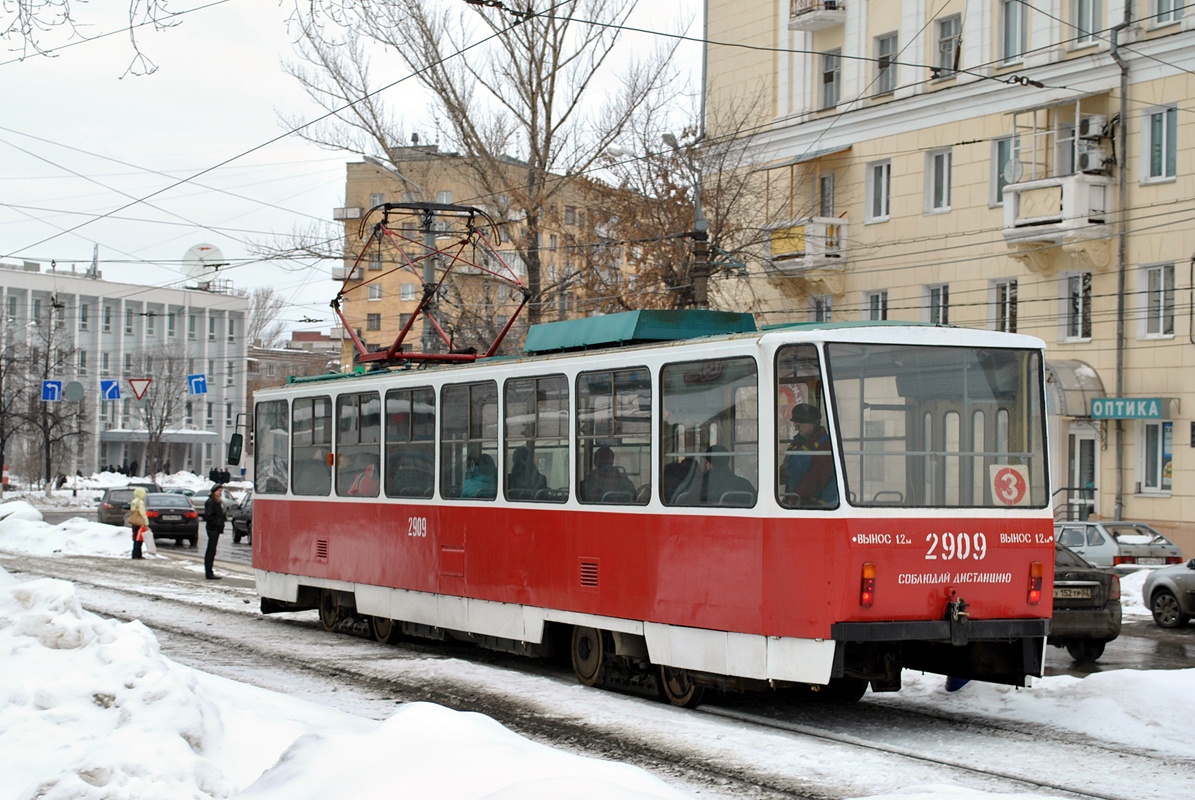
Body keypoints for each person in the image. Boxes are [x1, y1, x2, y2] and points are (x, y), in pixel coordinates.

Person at [782, 403, 838, 506]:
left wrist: (794, 498)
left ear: (812, 423)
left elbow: (816, 476)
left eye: (799, 425)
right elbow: (787, 468)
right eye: (795, 425)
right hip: (798, 499)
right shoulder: (797, 443)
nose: (797, 428)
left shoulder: (824, 445)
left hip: (819, 503)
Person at [203, 484, 227, 580]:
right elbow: (209, 516)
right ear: (214, 492)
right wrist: (217, 523)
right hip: (212, 529)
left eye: (221, 491)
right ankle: (209, 572)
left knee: (212, 550)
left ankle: (209, 571)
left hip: (215, 529)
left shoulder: (216, 501)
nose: (220, 492)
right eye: (218, 491)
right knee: (211, 551)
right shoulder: (211, 502)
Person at [128, 486, 149, 560]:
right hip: (140, 522)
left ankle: (135, 554)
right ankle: (137, 555)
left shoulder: (134, 501)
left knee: (135, 538)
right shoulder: (140, 502)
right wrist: (146, 523)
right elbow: (142, 513)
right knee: (139, 539)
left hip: (134, 522)